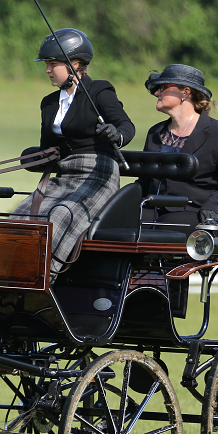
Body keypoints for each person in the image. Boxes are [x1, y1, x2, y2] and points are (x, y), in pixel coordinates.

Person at [12, 28, 135, 277]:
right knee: (21, 216)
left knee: (60, 215)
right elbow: (48, 145)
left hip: (97, 174)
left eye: (52, 64)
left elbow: (126, 126)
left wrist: (116, 134)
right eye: (46, 64)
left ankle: (45, 276)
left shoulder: (99, 91)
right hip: (65, 174)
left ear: (74, 64)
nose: (47, 70)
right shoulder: (48, 103)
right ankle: (13, 274)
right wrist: (37, 156)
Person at [138, 64, 218, 233]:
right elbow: (144, 182)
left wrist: (214, 204)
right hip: (152, 209)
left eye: (163, 87)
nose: (157, 93)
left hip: (194, 212)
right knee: (115, 224)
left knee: (161, 228)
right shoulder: (155, 133)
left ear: (185, 92)